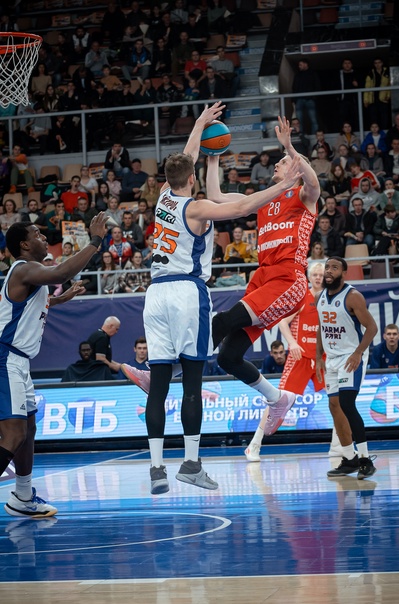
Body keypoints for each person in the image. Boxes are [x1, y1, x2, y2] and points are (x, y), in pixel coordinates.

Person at [120, 104, 304, 495]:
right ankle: (192, 463)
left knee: (162, 382)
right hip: (187, 290)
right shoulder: (198, 206)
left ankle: (157, 468)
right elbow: (239, 205)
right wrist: (282, 184)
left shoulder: (163, 198)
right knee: (199, 375)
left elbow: (187, 162)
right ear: (191, 178)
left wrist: (201, 129)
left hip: (157, 293)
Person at [209, 115, 320, 438]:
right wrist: (213, 158)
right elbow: (216, 196)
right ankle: (277, 399)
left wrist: (291, 149)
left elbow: (314, 183)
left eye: (283, 162)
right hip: (262, 277)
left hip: (288, 279)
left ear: (296, 168)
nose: (277, 164)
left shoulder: (304, 196)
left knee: (222, 321)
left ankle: (169, 372)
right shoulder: (265, 199)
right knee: (228, 357)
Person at [0, 213, 108, 517]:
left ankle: (22, 497)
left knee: (28, 430)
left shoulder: (29, 276)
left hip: (18, 361)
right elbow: (62, 272)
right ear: (24, 245)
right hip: (5, 358)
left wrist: (62, 299)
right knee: (13, 434)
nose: (44, 237)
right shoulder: (24, 269)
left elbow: (34, 303)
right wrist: (95, 241)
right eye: (37, 234)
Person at [246, 263, 330, 462]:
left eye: (321, 275)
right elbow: (282, 322)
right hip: (300, 357)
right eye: (315, 274)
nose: (318, 278)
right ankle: (254, 445)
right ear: (309, 277)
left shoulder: (330, 300)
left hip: (322, 358)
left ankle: (342, 447)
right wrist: (292, 343)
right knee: (278, 401)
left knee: (338, 400)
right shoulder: (302, 298)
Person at [316, 257, 378, 479]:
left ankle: (365, 460)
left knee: (347, 403)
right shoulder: (320, 297)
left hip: (351, 356)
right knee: (334, 405)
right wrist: (318, 356)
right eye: (327, 267)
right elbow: (321, 327)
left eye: (334, 268)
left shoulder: (353, 296)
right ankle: (349, 459)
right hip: (331, 358)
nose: (328, 271)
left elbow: (372, 328)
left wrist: (358, 352)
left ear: (343, 273)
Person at [292, 58, 320, 135]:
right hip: (299, 99)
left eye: (300, 65)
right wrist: (294, 100)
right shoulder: (298, 75)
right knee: (299, 121)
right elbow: (294, 88)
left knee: (313, 120)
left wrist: (314, 97)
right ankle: (300, 135)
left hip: (310, 99)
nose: (299, 66)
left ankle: (315, 135)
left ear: (306, 64)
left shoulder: (313, 74)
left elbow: (317, 86)